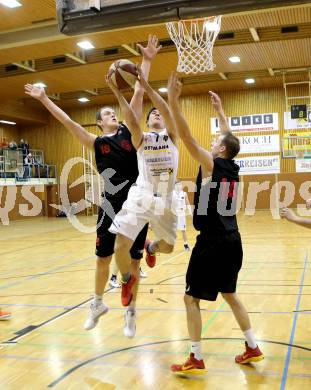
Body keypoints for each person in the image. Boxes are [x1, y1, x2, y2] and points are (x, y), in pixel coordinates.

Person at [25, 35, 161, 338]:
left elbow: (138, 91)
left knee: (134, 263)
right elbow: (67, 123)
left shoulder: (130, 129)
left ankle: (131, 312)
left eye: (114, 112)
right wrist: (44, 99)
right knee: (102, 258)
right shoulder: (96, 142)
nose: (113, 114)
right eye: (107, 115)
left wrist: (147, 61)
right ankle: (97, 303)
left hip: (135, 203)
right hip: (111, 204)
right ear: (99, 124)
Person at [167, 72, 264, 374]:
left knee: (190, 298)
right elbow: (230, 141)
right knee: (230, 294)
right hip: (233, 240)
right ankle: (252, 346)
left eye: (215, 141)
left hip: (211, 242)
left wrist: (173, 101)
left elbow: (186, 137)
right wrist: (220, 113)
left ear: (220, 150)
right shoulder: (232, 166)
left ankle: (195, 357)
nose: (211, 143)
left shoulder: (212, 164)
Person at [106, 65, 179, 314]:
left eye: (160, 113)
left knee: (168, 247)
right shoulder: (142, 138)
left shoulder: (172, 136)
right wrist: (117, 91)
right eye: (153, 114)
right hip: (142, 194)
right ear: (147, 122)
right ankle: (127, 280)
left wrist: (147, 86)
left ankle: (150, 247)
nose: (158, 114)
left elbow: (169, 111)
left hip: (167, 199)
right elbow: (130, 119)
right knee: (119, 246)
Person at [173, 181, 192, 251]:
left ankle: (186, 245)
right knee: (173, 230)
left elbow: (187, 203)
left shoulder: (184, 194)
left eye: (180, 185)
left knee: (183, 230)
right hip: (174, 214)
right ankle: (171, 244)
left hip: (182, 215)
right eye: (177, 185)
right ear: (175, 186)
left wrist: (190, 212)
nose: (179, 186)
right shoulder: (172, 194)